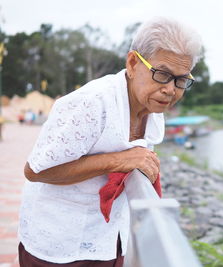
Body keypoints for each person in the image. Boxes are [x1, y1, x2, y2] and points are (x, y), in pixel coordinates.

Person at [19, 17, 202, 266]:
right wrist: (119, 160)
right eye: (162, 74)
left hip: (110, 238)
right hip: (59, 243)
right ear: (133, 63)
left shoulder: (152, 108)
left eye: (181, 80)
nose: (171, 90)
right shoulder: (92, 103)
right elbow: (35, 170)